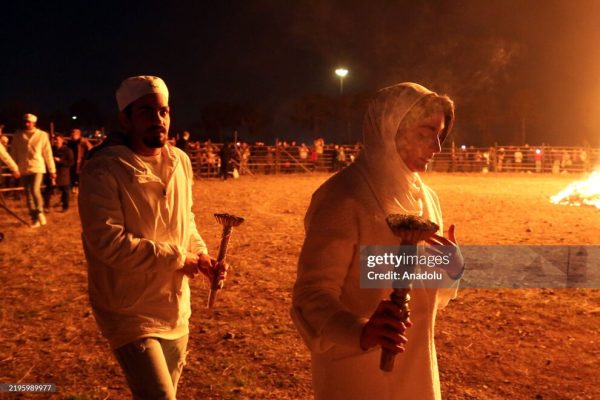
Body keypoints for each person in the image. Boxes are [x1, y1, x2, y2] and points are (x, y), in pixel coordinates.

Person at [291, 83, 464, 400]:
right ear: (391, 128)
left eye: (441, 134)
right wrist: (360, 330)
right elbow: (311, 295)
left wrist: (450, 267)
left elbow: (428, 293)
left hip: (417, 370)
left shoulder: (426, 198)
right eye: (426, 133)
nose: (437, 147)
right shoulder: (343, 198)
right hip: (356, 374)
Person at [78, 76, 223, 399]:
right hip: (130, 309)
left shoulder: (179, 161)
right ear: (125, 118)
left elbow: (185, 219)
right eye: (147, 111)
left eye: (164, 111)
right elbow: (107, 242)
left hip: (174, 305)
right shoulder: (104, 169)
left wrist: (200, 257)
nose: (160, 120)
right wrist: (178, 258)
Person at [10, 113, 56, 227]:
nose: (27, 124)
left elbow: (47, 153)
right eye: (25, 121)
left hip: (37, 166)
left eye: (29, 122)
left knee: (35, 190)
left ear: (34, 123)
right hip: (23, 167)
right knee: (28, 193)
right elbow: (14, 152)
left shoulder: (42, 135)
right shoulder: (17, 135)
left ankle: (40, 212)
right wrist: (13, 168)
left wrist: (52, 170)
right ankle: (34, 218)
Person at [43, 134, 74, 212]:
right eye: (55, 139)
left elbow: (70, 162)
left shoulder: (67, 150)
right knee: (48, 190)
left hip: (63, 173)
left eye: (57, 139)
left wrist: (60, 161)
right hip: (53, 172)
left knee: (65, 191)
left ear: (62, 140)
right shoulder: (51, 150)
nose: (56, 141)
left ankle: (65, 206)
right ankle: (46, 206)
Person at [67, 128, 93, 192]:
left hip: (81, 161)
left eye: (74, 134)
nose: (72, 135)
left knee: (79, 174)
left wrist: (86, 158)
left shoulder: (84, 141)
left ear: (78, 135)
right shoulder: (70, 142)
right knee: (74, 174)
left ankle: (79, 187)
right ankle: (74, 186)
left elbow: (91, 149)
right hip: (73, 161)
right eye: (71, 134)